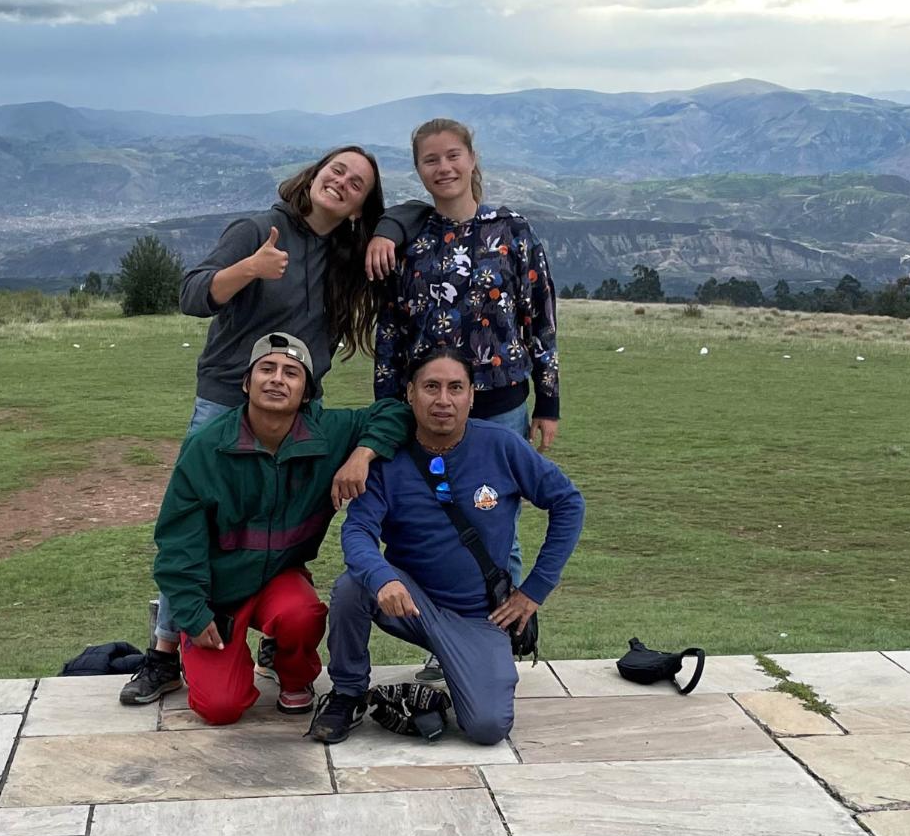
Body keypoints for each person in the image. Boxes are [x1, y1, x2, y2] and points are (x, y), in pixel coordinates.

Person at [134, 146, 387, 691]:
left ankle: (280, 628)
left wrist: (389, 230)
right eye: (336, 170)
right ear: (315, 174)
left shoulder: (346, 254)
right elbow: (192, 295)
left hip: (299, 404)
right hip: (228, 396)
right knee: (197, 523)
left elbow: (412, 218)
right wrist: (249, 269)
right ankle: (162, 651)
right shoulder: (259, 229)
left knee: (286, 512)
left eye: (358, 184)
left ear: (361, 207)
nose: (342, 183)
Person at [125, 332, 410, 722]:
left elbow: (397, 412)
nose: (278, 379)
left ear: (306, 393)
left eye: (292, 373)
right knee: (220, 708)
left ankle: (292, 673)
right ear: (246, 383)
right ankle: (201, 660)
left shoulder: (327, 432)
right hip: (217, 594)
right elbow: (177, 542)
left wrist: (362, 453)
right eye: (267, 369)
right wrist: (192, 612)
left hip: (279, 579)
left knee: (304, 612)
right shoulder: (207, 447)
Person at [366, 116, 561, 678]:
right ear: (419, 171)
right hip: (423, 408)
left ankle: (498, 638)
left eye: (453, 156)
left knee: (498, 523)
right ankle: (446, 642)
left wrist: (548, 403)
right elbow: (391, 331)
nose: (444, 168)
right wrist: (387, 409)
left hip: (500, 403)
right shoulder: (410, 238)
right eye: (431, 160)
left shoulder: (514, 230)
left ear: (472, 159)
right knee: (437, 518)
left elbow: (539, 320)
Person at [311, 348, 584, 746]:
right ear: (409, 393)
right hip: (411, 603)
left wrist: (533, 591)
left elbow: (568, 502)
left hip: (478, 616)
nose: (443, 400)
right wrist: (384, 578)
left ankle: (453, 680)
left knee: (488, 727)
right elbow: (357, 531)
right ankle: (348, 692)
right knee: (353, 587)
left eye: (455, 387)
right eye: (431, 387)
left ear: (471, 395)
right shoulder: (387, 457)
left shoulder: (502, 446)